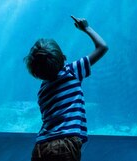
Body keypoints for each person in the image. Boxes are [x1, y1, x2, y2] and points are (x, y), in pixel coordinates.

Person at [24, 16, 108, 161]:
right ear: (63, 57)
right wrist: (86, 28)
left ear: (36, 73)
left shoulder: (42, 91)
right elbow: (102, 47)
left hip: (41, 145)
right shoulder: (71, 71)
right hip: (65, 143)